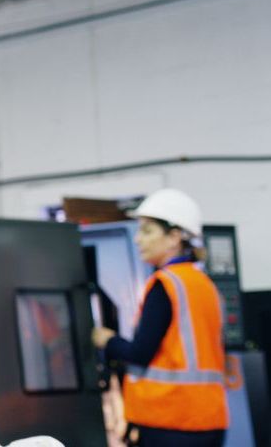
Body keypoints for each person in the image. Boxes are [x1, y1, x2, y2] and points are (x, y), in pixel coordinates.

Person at [92, 188, 228, 446]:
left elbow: (140, 353)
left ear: (174, 237)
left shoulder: (165, 285)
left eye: (147, 231)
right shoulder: (204, 284)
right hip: (208, 418)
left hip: (170, 418)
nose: (138, 240)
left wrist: (106, 339)